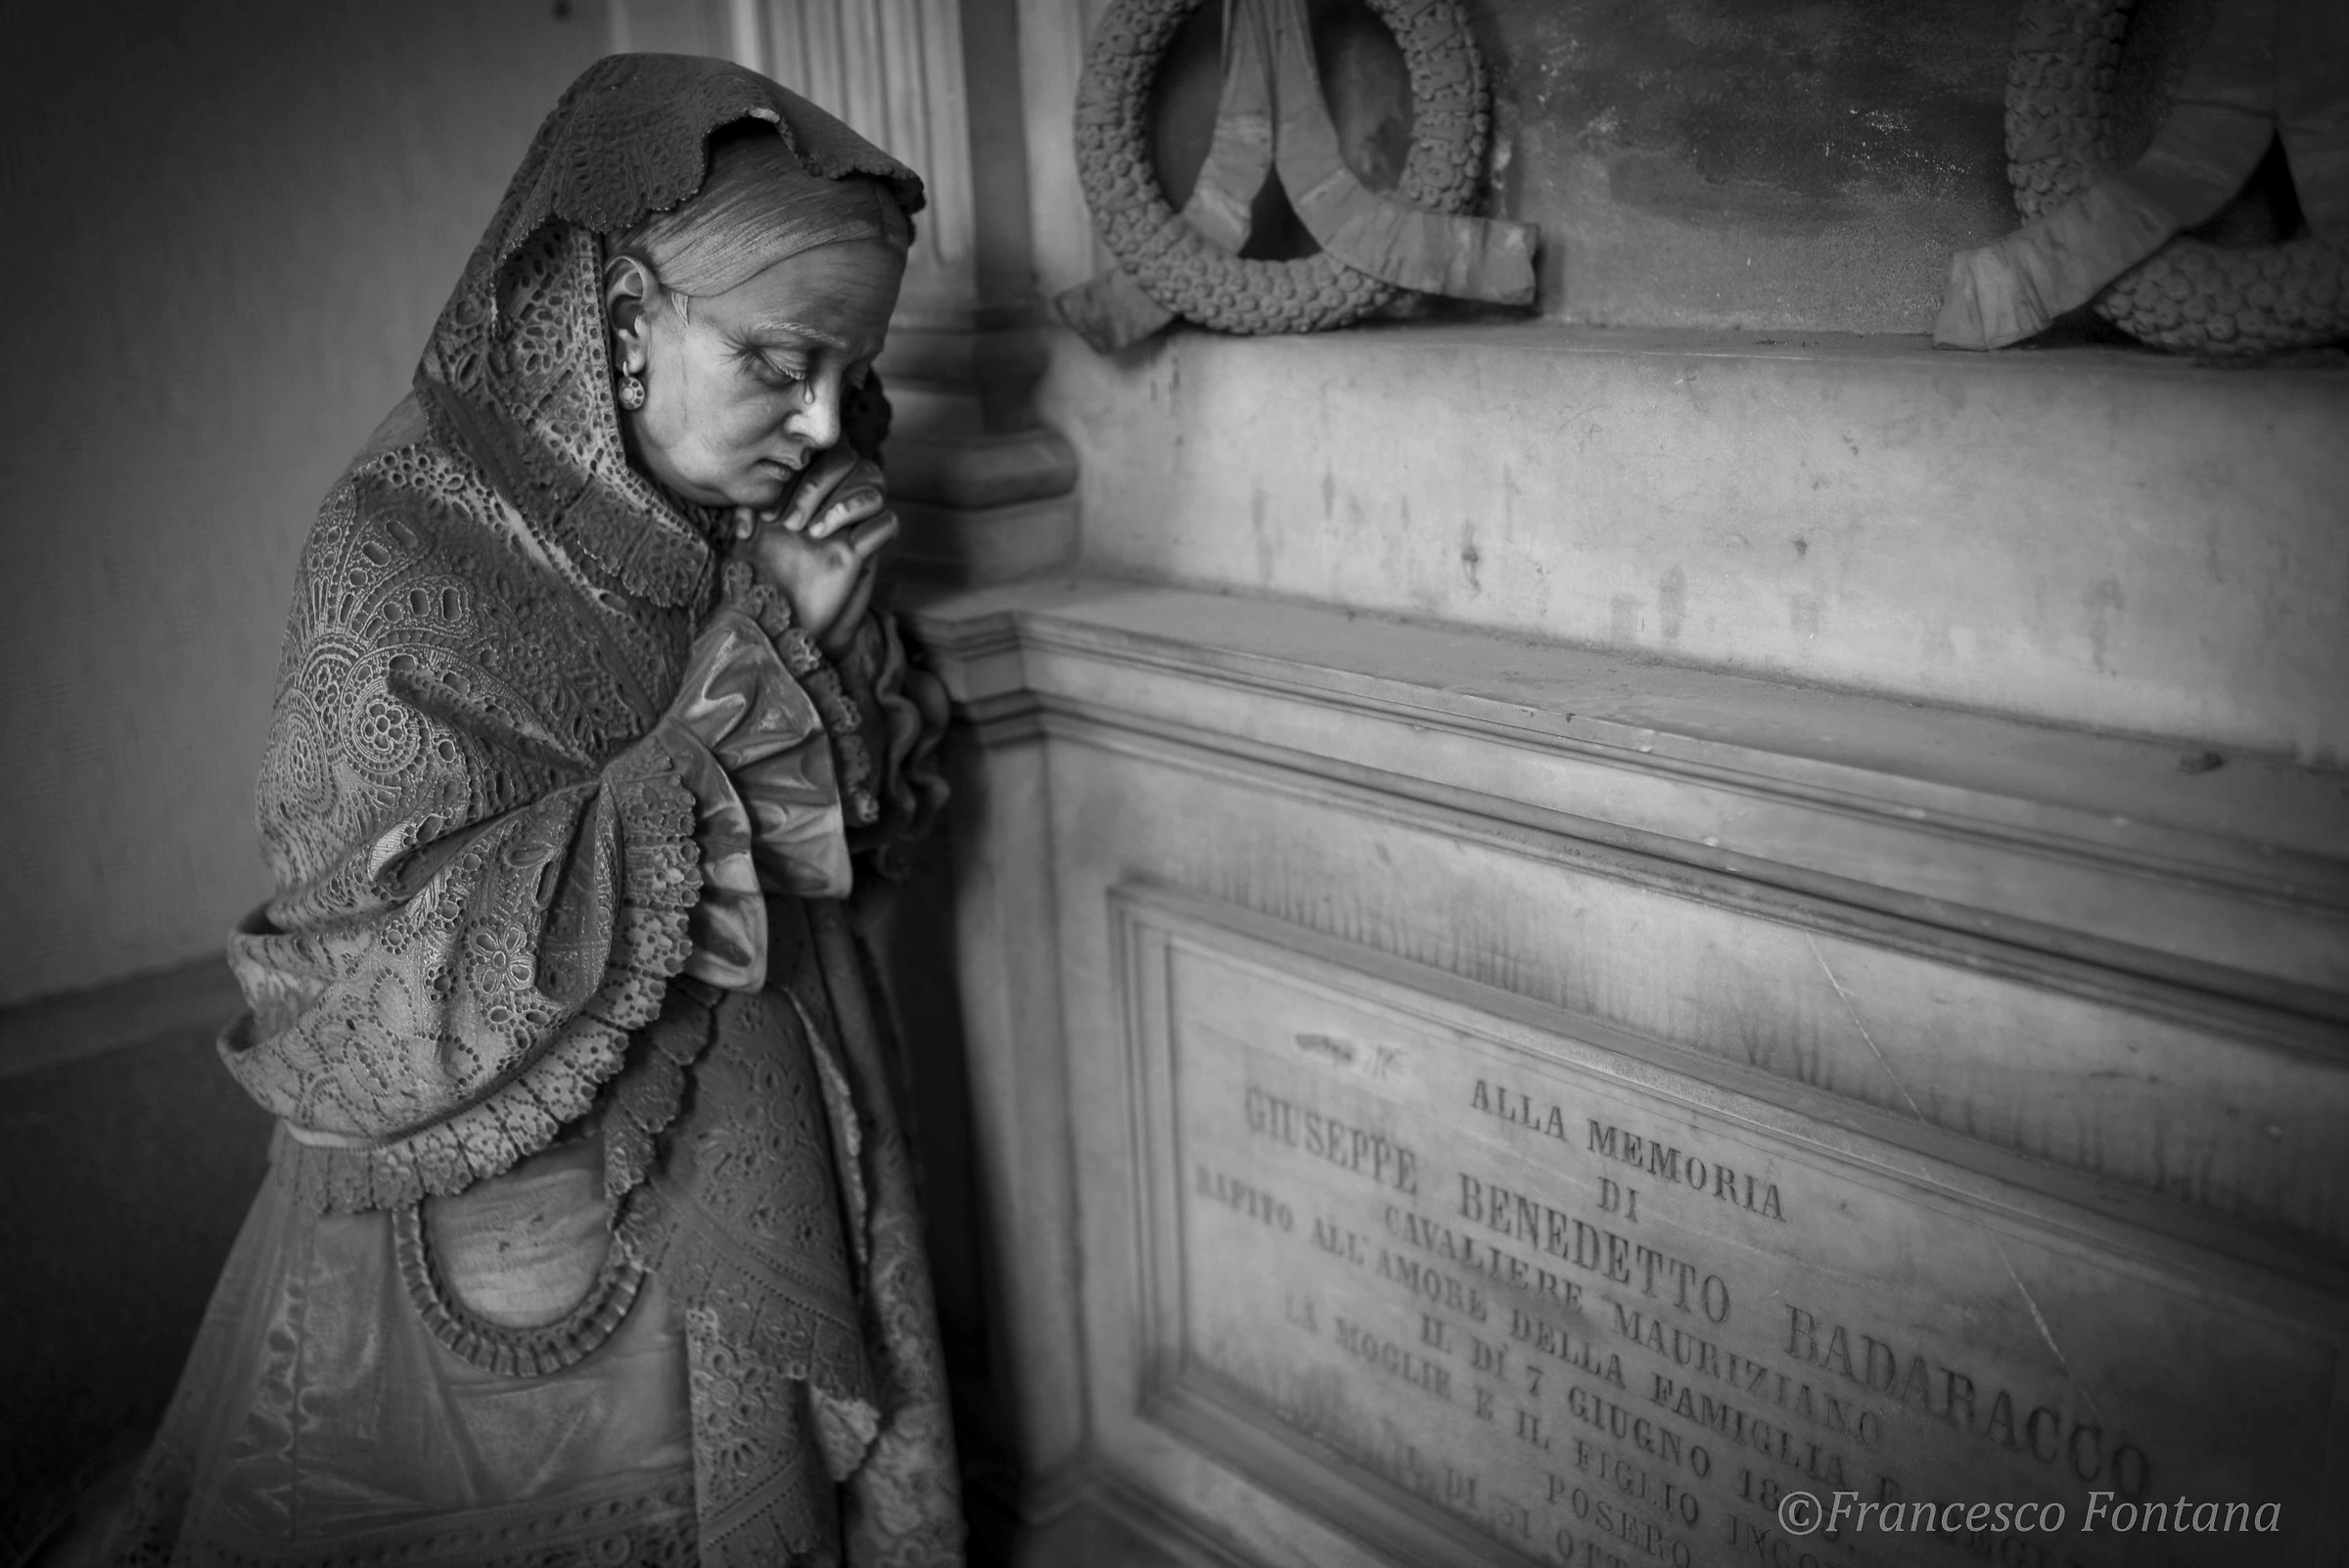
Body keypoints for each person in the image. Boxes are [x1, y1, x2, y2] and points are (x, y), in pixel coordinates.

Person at [107, 54, 962, 1568]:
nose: (827, 423)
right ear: (626, 320)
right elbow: (388, 974)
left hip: (759, 1179)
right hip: (485, 1224)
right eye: (779, 361)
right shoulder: (400, 551)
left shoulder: (770, 521)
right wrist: (761, 661)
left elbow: (865, 838)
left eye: (849, 369)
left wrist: (821, 643)